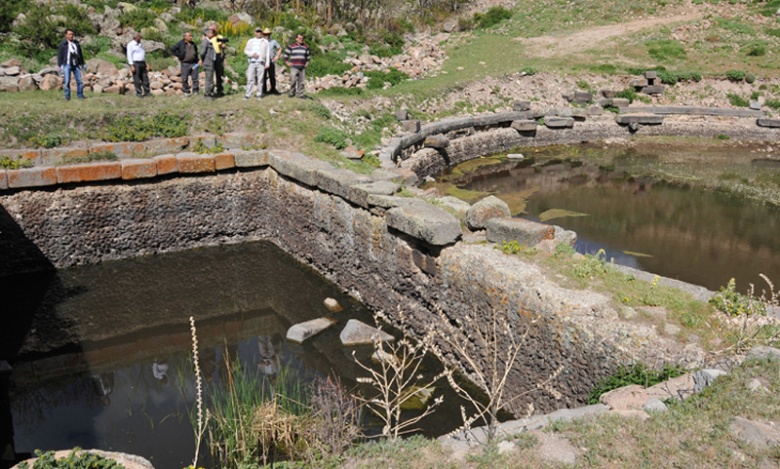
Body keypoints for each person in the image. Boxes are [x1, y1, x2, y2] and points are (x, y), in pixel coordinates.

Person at [56, 29, 85, 101]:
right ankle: (67, 96)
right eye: (69, 34)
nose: (71, 36)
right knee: (67, 81)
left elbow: (80, 54)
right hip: (67, 64)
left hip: (76, 64)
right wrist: (59, 66)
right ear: (65, 35)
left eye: (72, 34)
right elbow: (60, 55)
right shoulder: (63, 44)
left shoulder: (76, 43)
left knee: (79, 81)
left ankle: (80, 95)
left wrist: (82, 63)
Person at [243, 27, 270, 100]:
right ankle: (248, 94)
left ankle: (259, 94)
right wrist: (252, 54)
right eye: (257, 31)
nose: (259, 33)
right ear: (255, 32)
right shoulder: (250, 41)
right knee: (250, 79)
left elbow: (267, 53)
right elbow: (246, 50)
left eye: (260, 31)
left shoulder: (265, 41)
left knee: (260, 80)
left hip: (261, 62)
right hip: (252, 62)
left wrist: (267, 63)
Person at [170, 31, 199, 96]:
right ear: (185, 37)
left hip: (194, 63)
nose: (191, 37)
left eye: (191, 35)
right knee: (184, 78)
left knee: (195, 78)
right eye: (189, 36)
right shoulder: (181, 43)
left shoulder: (193, 44)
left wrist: (197, 61)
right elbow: (172, 49)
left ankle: (195, 91)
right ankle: (186, 91)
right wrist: (179, 55)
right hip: (185, 64)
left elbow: (196, 52)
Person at [283, 33, 311, 99]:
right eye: (299, 38)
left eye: (302, 38)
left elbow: (308, 57)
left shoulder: (305, 47)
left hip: (302, 67)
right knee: (293, 80)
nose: (301, 40)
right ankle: (291, 93)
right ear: (296, 39)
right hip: (294, 67)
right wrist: (287, 62)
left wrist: (307, 63)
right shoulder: (291, 46)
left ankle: (300, 94)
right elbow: (286, 55)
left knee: (301, 82)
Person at [127, 33, 151, 98]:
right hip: (136, 63)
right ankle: (139, 93)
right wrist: (131, 65)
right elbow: (129, 55)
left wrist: (145, 62)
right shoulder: (131, 45)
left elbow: (142, 54)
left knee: (145, 78)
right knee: (137, 78)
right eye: (140, 37)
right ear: (137, 37)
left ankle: (147, 92)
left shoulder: (140, 44)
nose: (141, 38)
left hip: (142, 62)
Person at [208, 23, 227, 97]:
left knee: (219, 74)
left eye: (215, 29)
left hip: (218, 55)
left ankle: (220, 90)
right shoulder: (209, 37)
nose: (213, 30)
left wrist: (223, 46)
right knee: (210, 74)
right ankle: (210, 90)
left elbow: (223, 46)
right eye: (212, 29)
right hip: (210, 56)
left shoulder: (220, 36)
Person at [261, 28, 282, 96]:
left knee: (272, 76)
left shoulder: (273, 41)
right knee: (263, 76)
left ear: (270, 34)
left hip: (271, 61)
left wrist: (277, 56)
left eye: (268, 34)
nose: (267, 35)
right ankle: (264, 91)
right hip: (263, 61)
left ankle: (273, 89)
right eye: (266, 34)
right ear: (264, 35)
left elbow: (280, 48)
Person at [199, 28, 217, 100]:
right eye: (211, 32)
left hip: (210, 62)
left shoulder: (208, 41)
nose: (212, 33)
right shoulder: (205, 41)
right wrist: (204, 59)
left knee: (210, 78)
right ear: (207, 34)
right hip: (208, 62)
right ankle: (207, 95)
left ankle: (210, 93)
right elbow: (202, 52)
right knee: (208, 79)